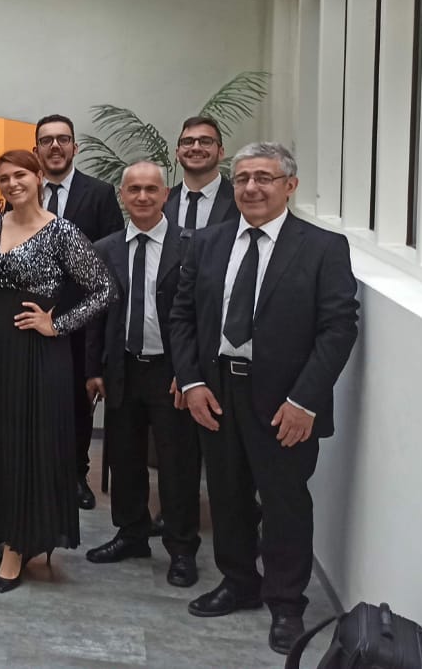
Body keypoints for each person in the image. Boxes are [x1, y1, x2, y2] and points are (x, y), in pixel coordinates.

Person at [171, 142, 358, 655]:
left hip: (285, 401)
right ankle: (238, 582)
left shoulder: (323, 248)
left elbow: (338, 328)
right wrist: (191, 383)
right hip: (218, 390)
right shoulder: (208, 243)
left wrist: (306, 401)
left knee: (285, 504)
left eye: (264, 178)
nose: (251, 187)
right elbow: (182, 317)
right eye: (243, 178)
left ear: (289, 186)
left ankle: (286, 604)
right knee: (227, 495)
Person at [0, 149, 115, 592]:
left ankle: (20, 542)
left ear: (39, 176)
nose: (12, 183)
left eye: (20, 174)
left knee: (31, 442)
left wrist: (57, 323)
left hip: (37, 354)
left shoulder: (61, 231)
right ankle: (2, 525)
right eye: (4, 178)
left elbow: (103, 289)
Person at [83, 161, 202, 588]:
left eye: (151, 189)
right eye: (134, 189)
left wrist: (190, 374)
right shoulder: (106, 248)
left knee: (176, 464)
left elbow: (203, 318)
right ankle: (131, 533)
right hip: (122, 370)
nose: (143, 197)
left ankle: (182, 547)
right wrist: (93, 368)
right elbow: (96, 314)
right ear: (123, 195)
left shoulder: (192, 247)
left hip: (170, 374)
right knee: (125, 457)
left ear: (166, 195)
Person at [32, 113, 124, 510]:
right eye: (47, 140)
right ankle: (34, 473)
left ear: (74, 147)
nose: (55, 146)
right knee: (33, 398)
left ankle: (75, 475)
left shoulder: (99, 193)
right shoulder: (24, 189)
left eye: (63, 139)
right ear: (36, 149)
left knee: (75, 401)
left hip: (81, 318)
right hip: (30, 316)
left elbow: (111, 260)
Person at [166, 116, 236, 236]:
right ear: (177, 154)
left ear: (221, 152)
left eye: (205, 141)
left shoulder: (239, 199)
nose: (196, 147)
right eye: (188, 142)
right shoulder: (164, 201)